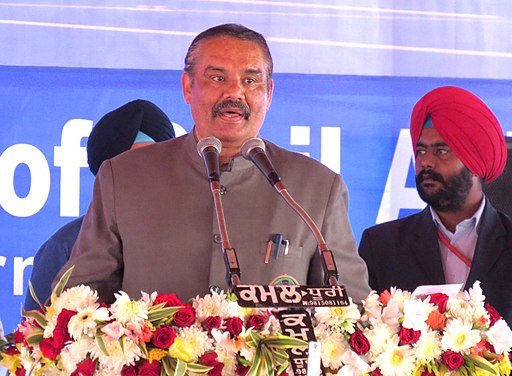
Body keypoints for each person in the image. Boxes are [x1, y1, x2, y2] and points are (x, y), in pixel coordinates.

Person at [55, 23, 371, 304]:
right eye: (218, 78)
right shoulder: (124, 177)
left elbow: (353, 310)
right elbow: (80, 297)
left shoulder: (315, 187)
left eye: (251, 81)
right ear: (188, 87)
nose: (234, 92)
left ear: (269, 93)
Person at [359, 86, 512, 326]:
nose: (425, 162)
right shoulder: (381, 246)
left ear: (475, 160)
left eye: (441, 151)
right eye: (420, 151)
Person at [25, 99, 175, 310]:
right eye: (133, 164)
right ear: (106, 176)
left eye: (157, 161)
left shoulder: (195, 235)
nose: (147, 173)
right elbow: (36, 337)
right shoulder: (65, 247)